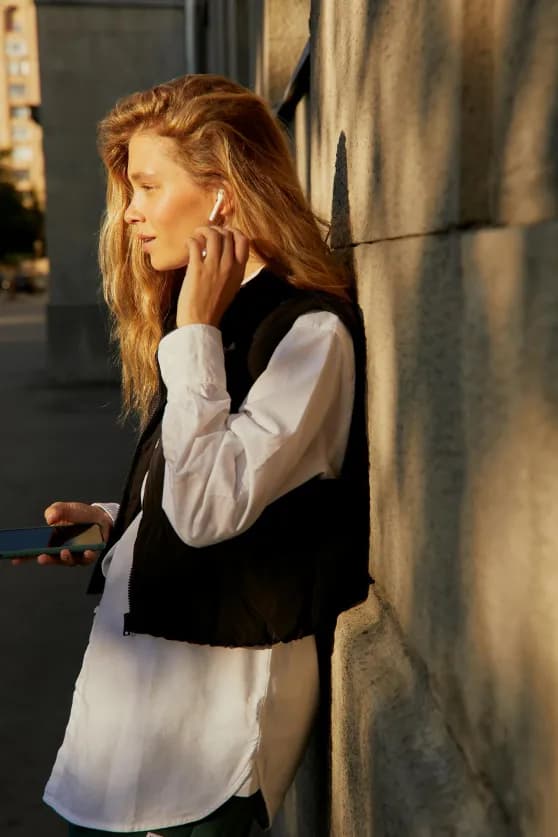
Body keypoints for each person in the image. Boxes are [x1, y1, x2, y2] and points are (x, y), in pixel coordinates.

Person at [13, 74, 370, 836]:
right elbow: (215, 488)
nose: (132, 211)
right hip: (122, 730)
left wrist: (195, 337)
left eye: (147, 185)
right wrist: (117, 523)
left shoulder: (306, 335)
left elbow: (211, 510)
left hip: (204, 740)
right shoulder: (214, 323)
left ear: (223, 195)